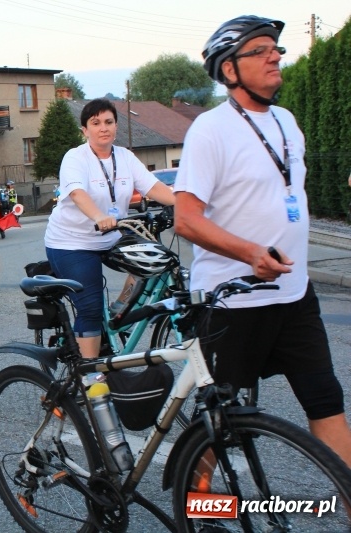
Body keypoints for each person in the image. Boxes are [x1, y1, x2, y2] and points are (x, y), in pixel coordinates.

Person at [174, 15, 351, 473]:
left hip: (294, 296)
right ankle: (199, 508)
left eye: (275, 47)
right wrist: (251, 253)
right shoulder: (211, 130)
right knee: (217, 424)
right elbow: (187, 219)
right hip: (234, 302)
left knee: (326, 402)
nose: (275, 55)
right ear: (229, 69)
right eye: (259, 50)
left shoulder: (288, 122)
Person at [44, 98, 175, 360]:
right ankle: (92, 378)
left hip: (113, 234)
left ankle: (118, 311)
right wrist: (99, 216)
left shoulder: (125, 157)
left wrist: (186, 204)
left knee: (158, 261)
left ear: (115, 126)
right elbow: (78, 194)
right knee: (90, 308)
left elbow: (152, 186)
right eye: (96, 123)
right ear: (85, 130)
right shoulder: (75, 157)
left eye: (108, 122)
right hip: (72, 242)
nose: (103, 128)